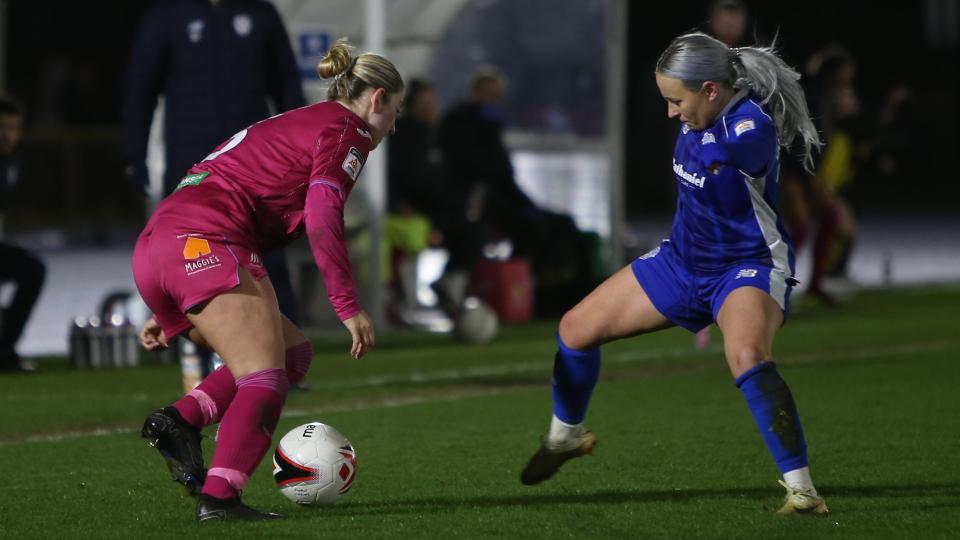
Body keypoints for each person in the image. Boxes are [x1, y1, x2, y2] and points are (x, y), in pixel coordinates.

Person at [519, 32, 829, 516]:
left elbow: (748, 152)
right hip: (681, 263)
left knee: (747, 354)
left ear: (710, 89)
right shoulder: (698, 112)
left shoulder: (751, 124)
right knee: (574, 330)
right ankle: (565, 438)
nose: (670, 112)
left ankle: (802, 491)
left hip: (744, 266)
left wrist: (718, 150)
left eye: (675, 100)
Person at [133, 40, 402, 521]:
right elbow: (322, 214)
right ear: (377, 98)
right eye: (395, 111)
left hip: (159, 247)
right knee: (265, 376)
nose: (393, 127)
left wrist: (166, 300)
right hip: (203, 241)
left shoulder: (301, 120)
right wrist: (346, 303)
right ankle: (220, 499)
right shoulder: (349, 129)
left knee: (293, 352)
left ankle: (181, 420)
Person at [122, 0, 306, 373]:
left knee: (266, 258)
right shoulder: (168, 15)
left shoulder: (258, 12)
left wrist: (302, 153)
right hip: (193, 166)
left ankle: (282, 359)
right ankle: (202, 358)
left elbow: (286, 82)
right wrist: (133, 154)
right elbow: (140, 87)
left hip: (255, 164)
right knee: (195, 259)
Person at [0, 97, 46, 373]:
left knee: (32, 271)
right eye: (2, 127)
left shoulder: (11, 165)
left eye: (13, 128)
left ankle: (5, 350)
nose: (8, 135)